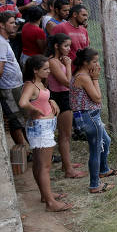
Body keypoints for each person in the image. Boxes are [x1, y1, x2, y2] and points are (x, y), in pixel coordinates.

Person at [18, 55, 73, 211]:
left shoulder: (38, 83)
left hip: (44, 126)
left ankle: (45, 195)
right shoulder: (30, 85)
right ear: (35, 71)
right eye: (45, 69)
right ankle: (50, 203)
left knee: (39, 163)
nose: (49, 71)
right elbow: (23, 102)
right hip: (41, 127)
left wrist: (50, 101)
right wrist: (34, 110)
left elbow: (39, 98)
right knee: (45, 166)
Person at [71, 47, 117, 193]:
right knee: (96, 149)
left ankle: (104, 169)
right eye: (94, 61)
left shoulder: (81, 74)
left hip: (90, 115)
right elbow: (97, 98)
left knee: (106, 141)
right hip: (89, 117)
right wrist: (96, 79)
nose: (97, 65)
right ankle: (94, 185)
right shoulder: (85, 77)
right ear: (85, 63)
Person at [47, 33, 85, 179]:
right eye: (66, 46)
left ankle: (65, 163)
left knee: (66, 135)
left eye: (69, 46)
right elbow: (68, 82)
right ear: (57, 46)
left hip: (64, 96)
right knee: (65, 135)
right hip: (61, 98)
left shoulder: (60, 60)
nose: (69, 49)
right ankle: (69, 170)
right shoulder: (53, 62)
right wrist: (68, 65)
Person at [0, 12, 27, 145]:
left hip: (14, 86)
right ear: (2, 25)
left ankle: (27, 151)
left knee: (20, 119)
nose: (15, 25)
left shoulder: (2, 41)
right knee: (17, 120)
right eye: (12, 23)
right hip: (9, 88)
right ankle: (24, 151)